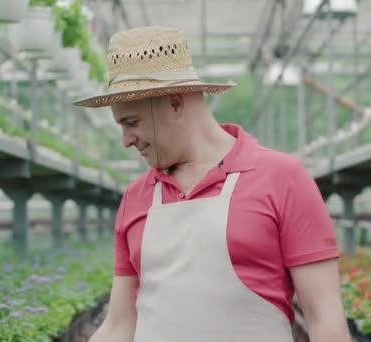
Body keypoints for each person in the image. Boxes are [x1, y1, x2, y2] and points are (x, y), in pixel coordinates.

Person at [75, 26, 351, 342]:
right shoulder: (136, 198)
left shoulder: (282, 178)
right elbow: (120, 324)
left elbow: (325, 321)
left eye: (132, 123)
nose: (125, 141)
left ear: (175, 103)